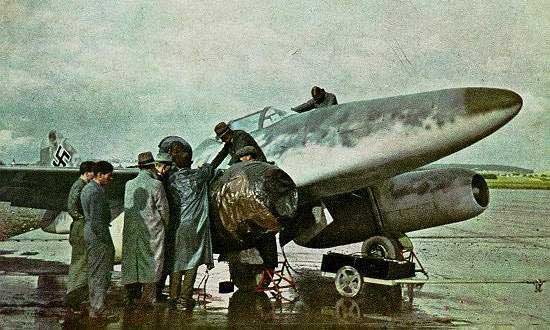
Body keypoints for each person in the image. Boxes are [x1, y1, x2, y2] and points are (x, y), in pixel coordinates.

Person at [167, 142, 221, 311]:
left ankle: (173, 296)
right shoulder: (199, 176)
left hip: (177, 225)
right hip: (194, 226)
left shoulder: (171, 178)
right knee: (192, 261)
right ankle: (185, 298)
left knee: (176, 261)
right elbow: (210, 167)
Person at [121, 152, 170, 306]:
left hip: (132, 230)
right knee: (152, 262)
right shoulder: (156, 184)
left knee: (132, 262)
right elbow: (164, 210)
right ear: (152, 167)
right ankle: (149, 298)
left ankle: (130, 296)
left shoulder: (129, 184)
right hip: (152, 230)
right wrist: (165, 227)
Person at [80, 161, 115, 320]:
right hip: (97, 235)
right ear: (100, 174)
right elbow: (96, 221)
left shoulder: (88, 188)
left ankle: (94, 306)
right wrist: (106, 241)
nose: (111, 178)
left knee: (94, 272)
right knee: (100, 273)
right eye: (109, 175)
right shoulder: (94, 192)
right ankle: (98, 308)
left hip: (91, 232)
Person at [65, 161, 95, 311]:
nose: (94, 175)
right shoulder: (79, 185)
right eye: (92, 172)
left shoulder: (82, 185)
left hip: (80, 226)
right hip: (80, 226)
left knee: (81, 262)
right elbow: (71, 206)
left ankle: (75, 296)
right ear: (87, 172)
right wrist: (81, 218)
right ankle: (72, 297)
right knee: (79, 262)